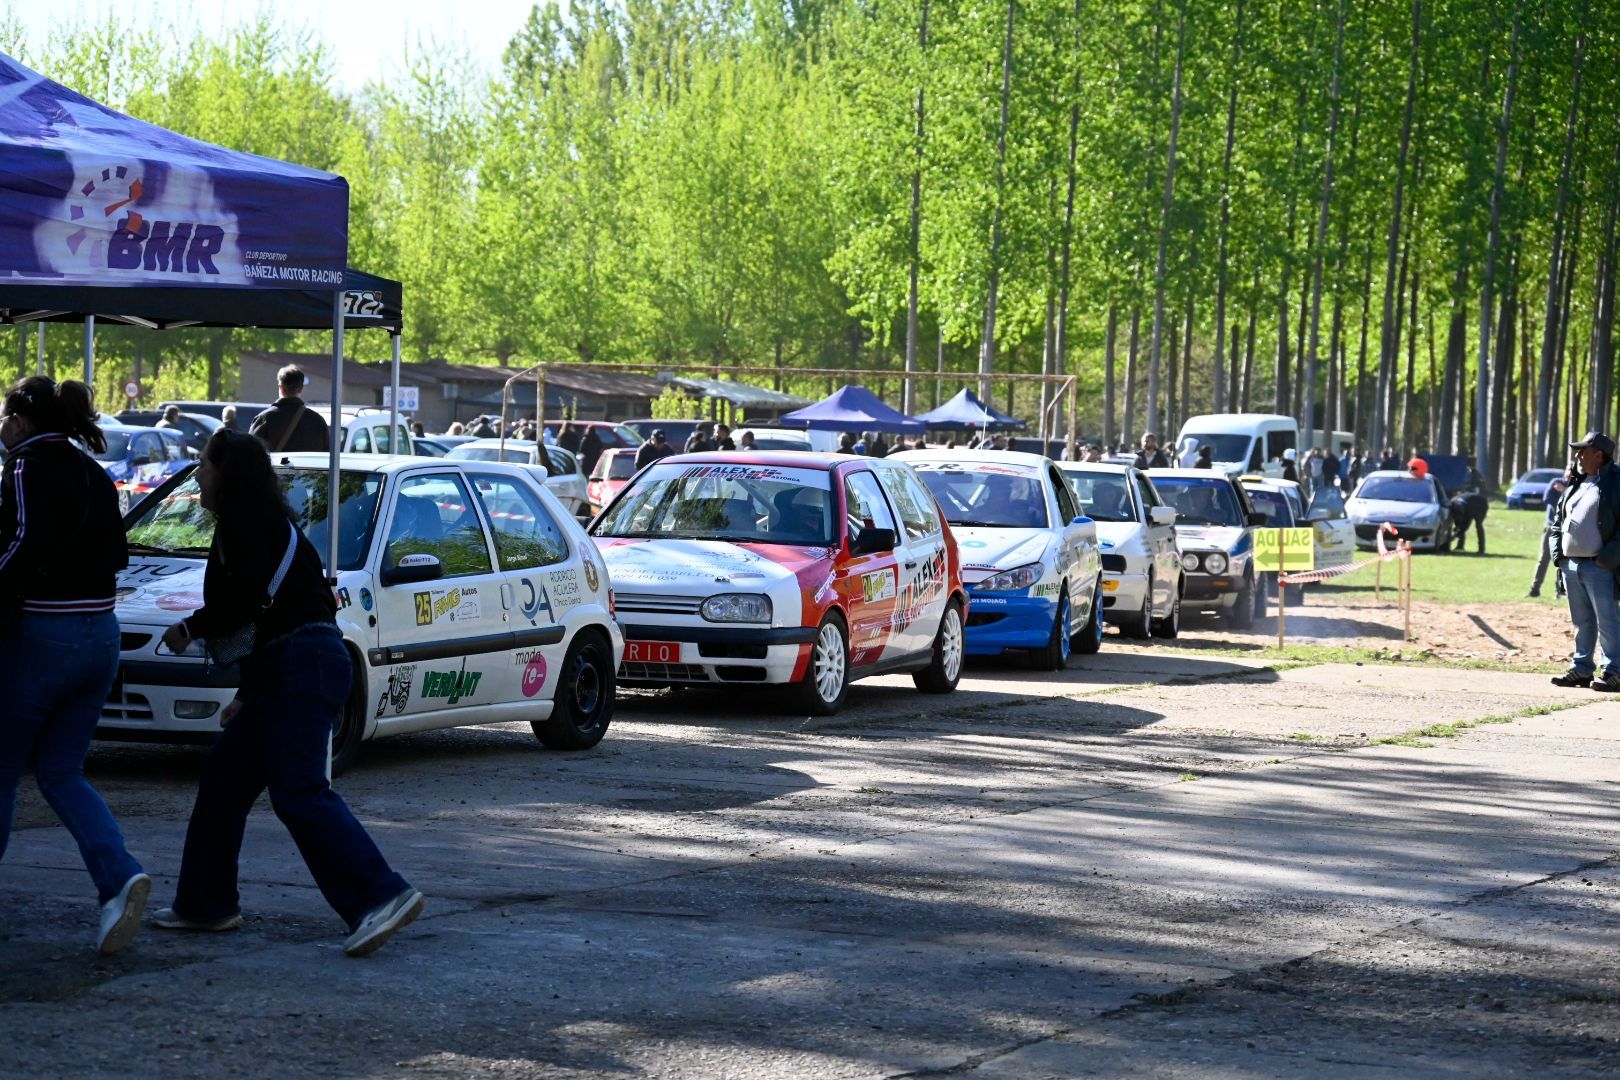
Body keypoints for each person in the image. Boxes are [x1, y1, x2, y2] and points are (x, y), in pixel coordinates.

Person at [155, 430, 424, 954]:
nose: (199, 473)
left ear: (228, 473)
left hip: (303, 665)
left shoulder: (246, 523)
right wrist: (250, 692)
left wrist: (192, 627)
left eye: (206, 464)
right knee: (224, 779)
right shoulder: (258, 522)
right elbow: (269, 615)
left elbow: (247, 602)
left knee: (298, 790)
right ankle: (205, 906)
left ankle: (379, 896)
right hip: (293, 666)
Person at [0, 377, 151, 955]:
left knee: (3, 764)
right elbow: (118, 553)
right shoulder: (93, 470)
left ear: (17, 421)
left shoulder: (23, 466)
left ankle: (118, 877)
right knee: (63, 772)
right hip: (102, 636)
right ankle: (117, 876)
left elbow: (19, 543)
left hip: (44, 633)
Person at [1549, 431, 1620, 692]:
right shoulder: (1577, 483)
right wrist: (1559, 556)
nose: (1577, 456)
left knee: (1608, 620)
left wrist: (1607, 558)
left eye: (1583, 451)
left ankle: (1614, 671)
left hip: (1600, 567)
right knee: (1582, 621)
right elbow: (1557, 524)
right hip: (1572, 565)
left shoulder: (1615, 483)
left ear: (1599, 455)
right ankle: (1581, 669)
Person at [249, 365, 331, 453]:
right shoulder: (317, 421)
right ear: (301, 388)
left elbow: (249, 452)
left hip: (274, 467)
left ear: (281, 387)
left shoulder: (264, 419)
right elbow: (326, 454)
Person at [1529, 477, 1567, 599]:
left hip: (1565, 530)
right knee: (1543, 559)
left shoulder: (1576, 484)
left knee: (1562, 561)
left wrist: (1564, 491)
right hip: (1551, 527)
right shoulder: (1556, 481)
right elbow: (1547, 499)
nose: (1570, 472)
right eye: (1568, 469)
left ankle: (1560, 591)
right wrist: (1566, 497)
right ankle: (1534, 589)